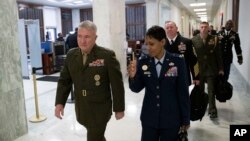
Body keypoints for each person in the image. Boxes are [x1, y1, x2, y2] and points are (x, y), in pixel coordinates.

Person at [55, 20, 125, 141]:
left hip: (100, 109)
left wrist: (119, 108)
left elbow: (117, 84)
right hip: (82, 108)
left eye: (87, 37)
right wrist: (60, 103)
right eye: (80, 36)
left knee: (94, 137)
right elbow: (64, 81)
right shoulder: (72, 55)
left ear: (95, 37)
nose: (82, 41)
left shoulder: (107, 56)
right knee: (97, 136)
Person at [128, 25, 190, 141]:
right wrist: (132, 77)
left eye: (151, 44)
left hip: (171, 119)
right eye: (146, 43)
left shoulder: (177, 61)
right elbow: (136, 88)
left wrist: (185, 118)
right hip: (149, 119)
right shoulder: (143, 61)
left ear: (162, 42)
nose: (148, 47)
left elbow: (183, 92)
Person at [192, 21, 224, 119]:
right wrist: (193, 72)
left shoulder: (214, 39)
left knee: (211, 90)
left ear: (209, 28)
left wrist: (221, 68)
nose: (204, 29)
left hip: (211, 68)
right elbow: (192, 57)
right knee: (200, 90)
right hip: (199, 69)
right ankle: (201, 106)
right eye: (202, 27)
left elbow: (218, 55)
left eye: (205, 27)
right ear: (199, 28)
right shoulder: (194, 40)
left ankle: (212, 110)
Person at [164, 21, 199, 86]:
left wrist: (196, 77)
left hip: (183, 76)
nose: (169, 29)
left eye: (171, 27)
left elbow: (193, 60)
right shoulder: (161, 43)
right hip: (167, 78)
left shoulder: (186, 41)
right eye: (167, 28)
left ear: (176, 28)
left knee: (183, 95)